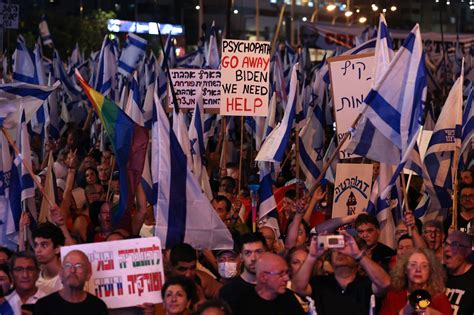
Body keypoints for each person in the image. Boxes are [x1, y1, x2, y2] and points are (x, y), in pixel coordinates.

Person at [292, 231, 391, 315]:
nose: (340, 252)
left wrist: (358, 255)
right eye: (336, 250)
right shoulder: (320, 282)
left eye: (344, 249)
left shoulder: (366, 283)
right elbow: (298, 287)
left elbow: (385, 283)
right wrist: (312, 256)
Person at [34, 250, 108, 315]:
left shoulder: (98, 307)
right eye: (68, 265)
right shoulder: (43, 306)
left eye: (78, 266)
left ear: (88, 274)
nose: (72, 270)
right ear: (61, 273)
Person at [380, 248, 452, 315]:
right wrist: (404, 312)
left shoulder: (439, 298)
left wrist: (434, 313)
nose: (418, 269)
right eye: (413, 265)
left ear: (430, 271)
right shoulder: (393, 296)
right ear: (405, 269)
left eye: (424, 266)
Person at [235, 252, 305, 315]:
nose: (286, 278)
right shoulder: (243, 303)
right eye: (280, 274)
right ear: (263, 277)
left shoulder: (288, 296)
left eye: (287, 272)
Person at [219, 233, 268, 314]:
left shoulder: (273, 287)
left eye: (258, 252)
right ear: (241, 256)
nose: (253, 258)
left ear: (266, 253)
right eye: (248, 253)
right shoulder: (228, 292)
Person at [444, 231, 473, 315]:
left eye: (454, 245)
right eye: (446, 244)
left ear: (467, 251)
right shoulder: (439, 273)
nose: (447, 249)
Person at [32, 222, 65, 295]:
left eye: (44, 245)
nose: (38, 250)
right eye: (36, 245)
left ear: (57, 248)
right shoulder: (33, 279)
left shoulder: (68, 279)